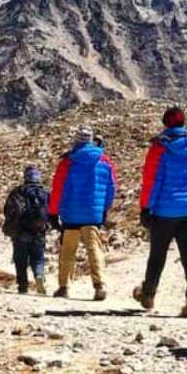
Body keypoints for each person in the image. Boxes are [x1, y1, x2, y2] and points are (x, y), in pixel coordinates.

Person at [132, 106, 187, 317]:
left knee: (157, 254)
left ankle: (148, 295)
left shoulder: (159, 148)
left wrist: (145, 208)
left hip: (164, 212)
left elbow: (151, 182)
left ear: (165, 124)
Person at [48, 126, 118, 301]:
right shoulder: (104, 161)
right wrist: (104, 210)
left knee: (68, 251)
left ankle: (64, 287)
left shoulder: (67, 162)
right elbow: (111, 188)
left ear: (76, 140)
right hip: (93, 213)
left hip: (71, 214)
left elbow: (57, 189)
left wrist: (53, 212)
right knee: (94, 249)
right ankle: (100, 285)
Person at [2, 165, 51, 295]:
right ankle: (39, 276)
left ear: (26, 177)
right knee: (38, 258)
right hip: (39, 231)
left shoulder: (18, 191)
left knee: (20, 260)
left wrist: (10, 227)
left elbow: (8, 210)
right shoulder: (45, 192)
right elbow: (52, 212)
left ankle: (23, 286)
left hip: (20, 232)